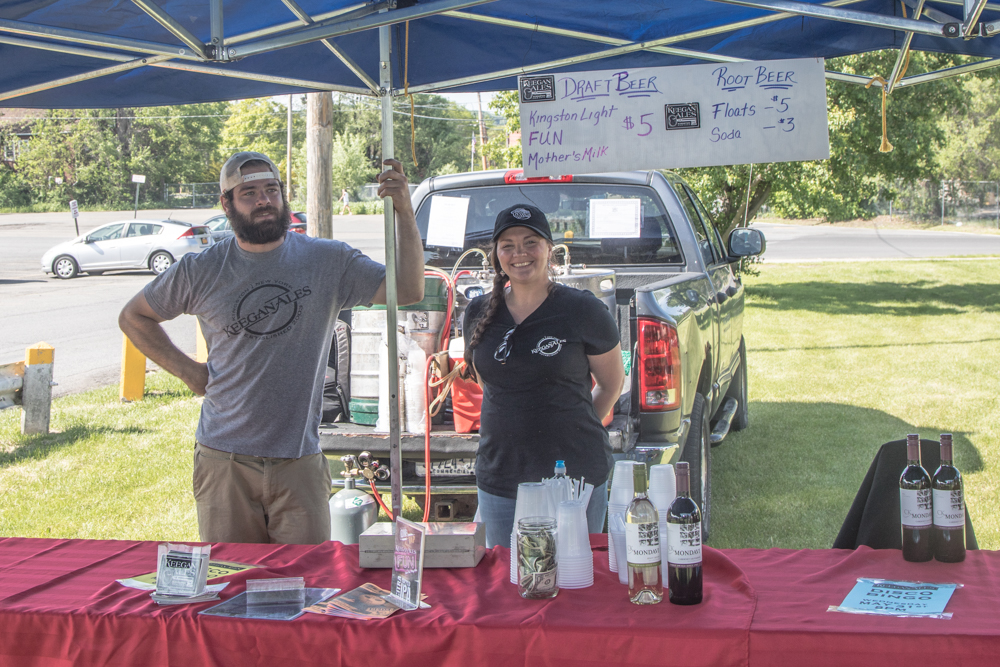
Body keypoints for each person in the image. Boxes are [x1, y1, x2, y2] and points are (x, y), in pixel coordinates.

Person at [118, 151, 424, 544]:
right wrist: (190, 372)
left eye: (271, 190)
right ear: (226, 204)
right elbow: (134, 317)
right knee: (232, 583)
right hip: (224, 460)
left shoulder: (328, 260)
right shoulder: (201, 269)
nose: (263, 200)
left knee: (309, 586)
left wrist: (403, 210)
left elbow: (410, 289)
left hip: (300, 459)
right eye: (248, 193)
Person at [462, 204, 625, 548]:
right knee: (505, 585)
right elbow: (489, 383)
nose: (519, 253)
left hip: (573, 478)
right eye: (507, 244)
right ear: (496, 254)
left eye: (530, 242)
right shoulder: (477, 312)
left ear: (549, 249)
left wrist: (569, 424)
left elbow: (611, 385)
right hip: (501, 475)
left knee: (574, 581)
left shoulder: (584, 311)